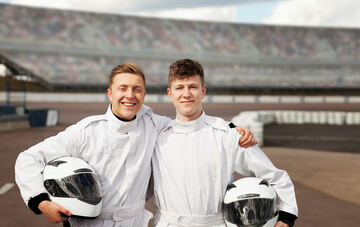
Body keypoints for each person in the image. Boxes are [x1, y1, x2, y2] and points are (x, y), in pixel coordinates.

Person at [15, 62, 256, 227]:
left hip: (135, 221)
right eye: (123, 88)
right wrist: (42, 202)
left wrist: (233, 129)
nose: (130, 95)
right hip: (90, 222)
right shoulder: (86, 130)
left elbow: (190, 122)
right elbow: (28, 158)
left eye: (137, 89)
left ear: (144, 94)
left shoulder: (155, 124)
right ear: (110, 93)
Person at [151, 59, 298, 227]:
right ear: (170, 94)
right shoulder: (157, 136)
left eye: (193, 87)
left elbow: (274, 176)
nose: (186, 94)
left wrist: (287, 216)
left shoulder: (228, 134)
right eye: (179, 88)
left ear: (203, 91)